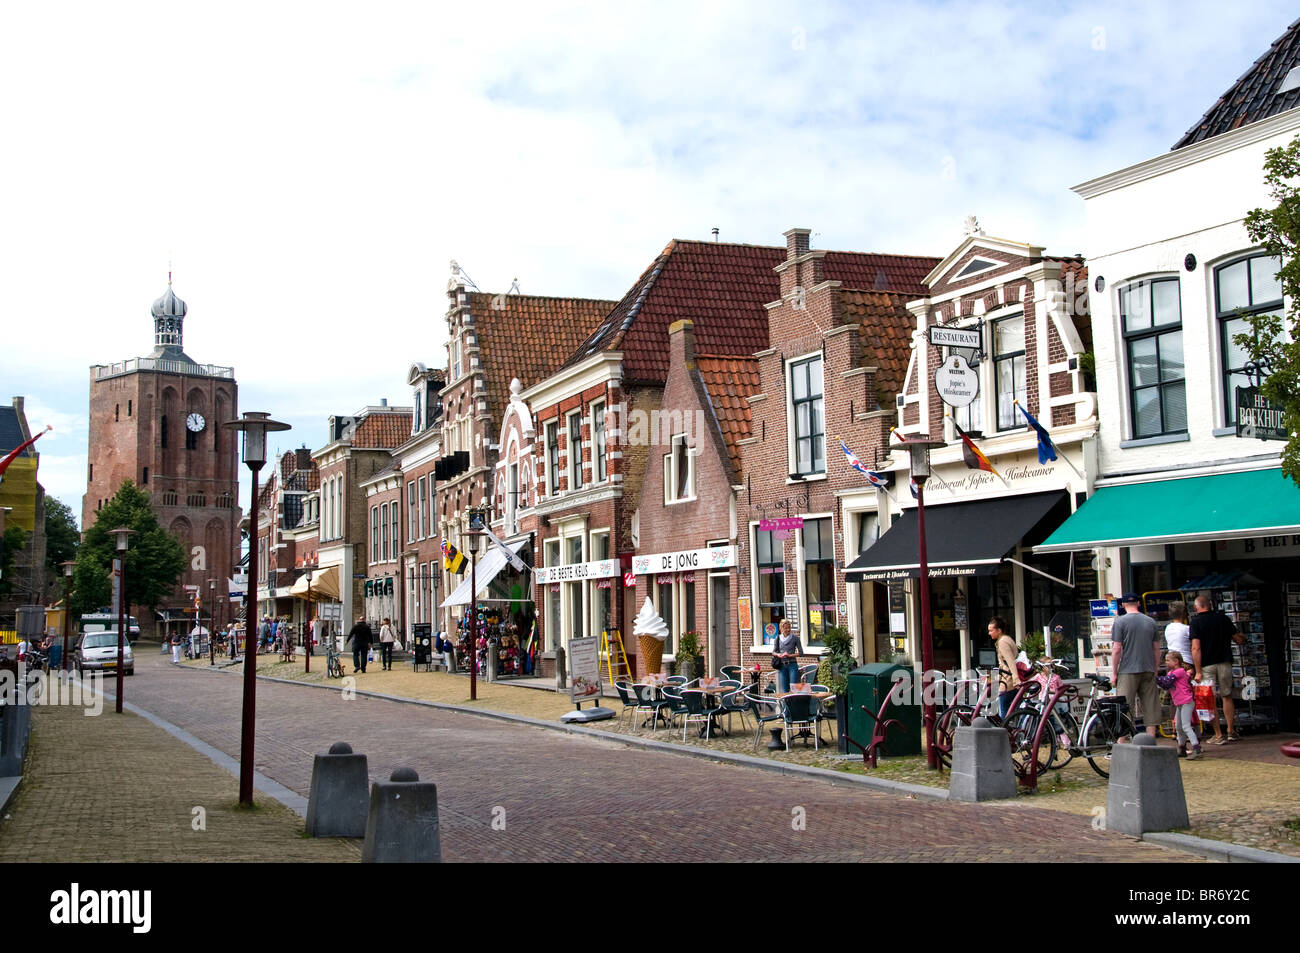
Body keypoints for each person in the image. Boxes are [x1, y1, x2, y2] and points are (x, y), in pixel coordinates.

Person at [1190, 594, 1245, 745]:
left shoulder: (1195, 622)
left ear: (1196, 607)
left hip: (1207, 664)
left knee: (1210, 699)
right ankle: (1230, 730)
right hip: (1225, 661)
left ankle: (1218, 734)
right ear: (1210, 605)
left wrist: (1198, 670)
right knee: (1227, 695)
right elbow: (1238, 639)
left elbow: (1196, 648)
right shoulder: (1223, 618)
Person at [1111, 594, 1160, 739]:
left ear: (1123, 605)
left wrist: (1114, 672)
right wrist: (1155, 668)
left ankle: (1121, 740)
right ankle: (1151, 739)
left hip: (1127, 669)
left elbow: (1117, 649)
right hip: (1148, 668)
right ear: (1138, 603)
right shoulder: (1151, 622)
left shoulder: (1120, 622)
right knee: (1150, 704)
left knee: (1125, 706)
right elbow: (1156, 648)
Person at [1156, 650, 1201, 759]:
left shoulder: (1179, 672)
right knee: (1178, 727)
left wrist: (1155, 677)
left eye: (1168, 660)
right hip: (1180, 703)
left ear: (1176, 661)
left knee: (1185, 726)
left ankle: (1196, 748)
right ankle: (1182, 747)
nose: (1166, 662)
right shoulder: (1171, 673)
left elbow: (1166, 682)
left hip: (1186, 702)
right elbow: (1166, 685)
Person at [988, 617, 1021, 719]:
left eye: (991, 630)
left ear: (999, 630)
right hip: (1007, 680)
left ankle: (1005, 732)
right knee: (1014, 709)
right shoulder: (1007, 639)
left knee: (1004, 711)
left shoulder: (1003, 642)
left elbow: (1010, 662)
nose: (989, 633)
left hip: (1009, 682)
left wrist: (1015, 679)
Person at [772, 618, 803, 694]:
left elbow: (801, 653)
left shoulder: (795, 638)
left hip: (792, 665)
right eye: (786, 628)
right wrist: (778, 655)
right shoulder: (778, 638)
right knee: (784, 689)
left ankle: (794, 705)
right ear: (781, 628)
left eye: (789, 627)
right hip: (782, 666)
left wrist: (790, 655)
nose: (788, 629)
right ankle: (786, 705)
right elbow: (773, 652)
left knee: (794, 688)